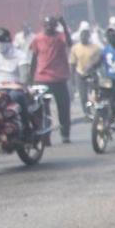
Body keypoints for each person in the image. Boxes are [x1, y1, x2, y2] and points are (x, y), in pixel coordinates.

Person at [29, 15, 73, 144]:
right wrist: (31, 78)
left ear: (55, 26)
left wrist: (64, 26)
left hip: (60, 78)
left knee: (64, 107)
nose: (49, 28)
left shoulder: (60, 36)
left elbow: (69, 43)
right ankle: (45, 136)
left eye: (51, 25)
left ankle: (65, 134)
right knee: (43, 110)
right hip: (42, 78)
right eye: (46, 25)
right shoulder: (37, 39)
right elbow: (34, 58)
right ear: (43, 26)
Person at [71, 22, 103, 113]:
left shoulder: (95, 48)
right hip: (80, 74)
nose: (84, 36)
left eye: (86, 34)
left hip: (92, 74)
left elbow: (100, 61)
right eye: (82, 34)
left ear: (89, 35)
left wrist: (93, 66)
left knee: (95, 94)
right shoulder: (75, 48)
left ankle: (98, 112)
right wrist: (72, 77)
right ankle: (87, 113)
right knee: (83, 96)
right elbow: (73, 63)